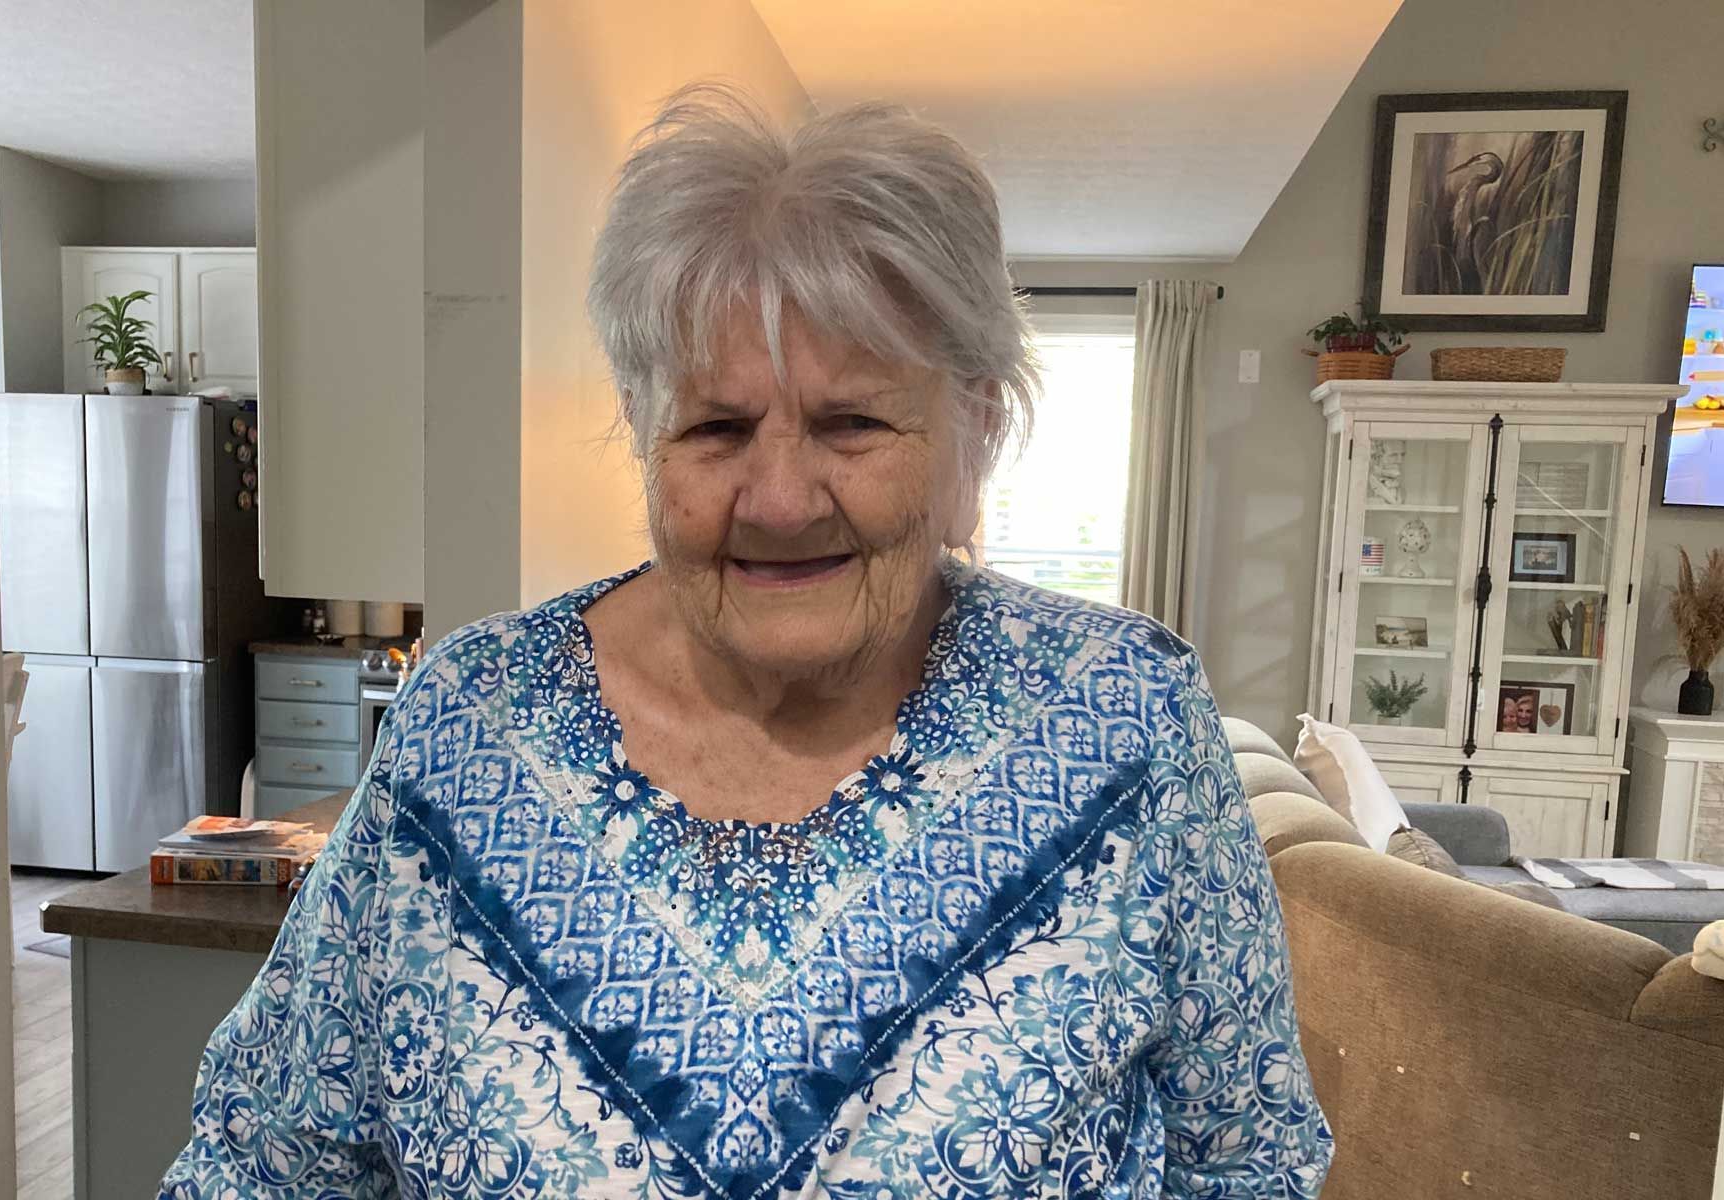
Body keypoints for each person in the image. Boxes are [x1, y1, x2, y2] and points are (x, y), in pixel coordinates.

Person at [159, 82, 1332, 1199]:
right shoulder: (467, 721)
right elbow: (263, 1157)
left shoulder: (1125, 718)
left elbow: (1251, 1158)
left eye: (853, 421)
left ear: (976, 429)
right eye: (717, 427)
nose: (779, 498)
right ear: (643, 436)